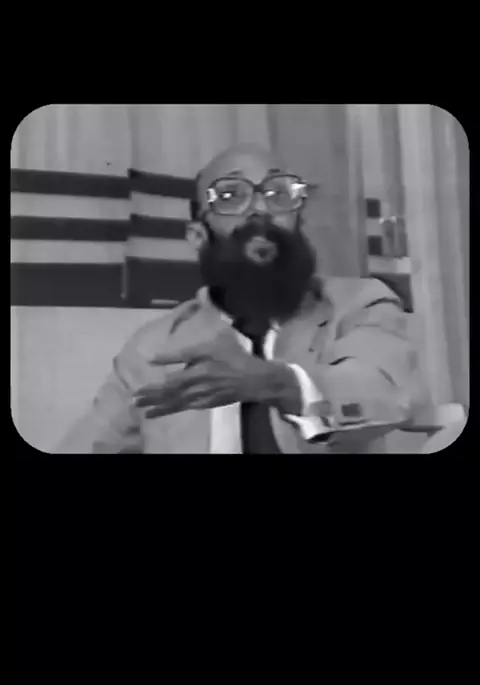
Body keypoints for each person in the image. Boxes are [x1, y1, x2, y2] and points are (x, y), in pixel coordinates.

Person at [56, 143, 430, 454]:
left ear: (299, 223)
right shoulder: (154, 349)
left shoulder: (359, 304)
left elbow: (383, 393)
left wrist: (278, 384)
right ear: (197, 236)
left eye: (278, 194)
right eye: (231, 196)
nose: (261, 209)